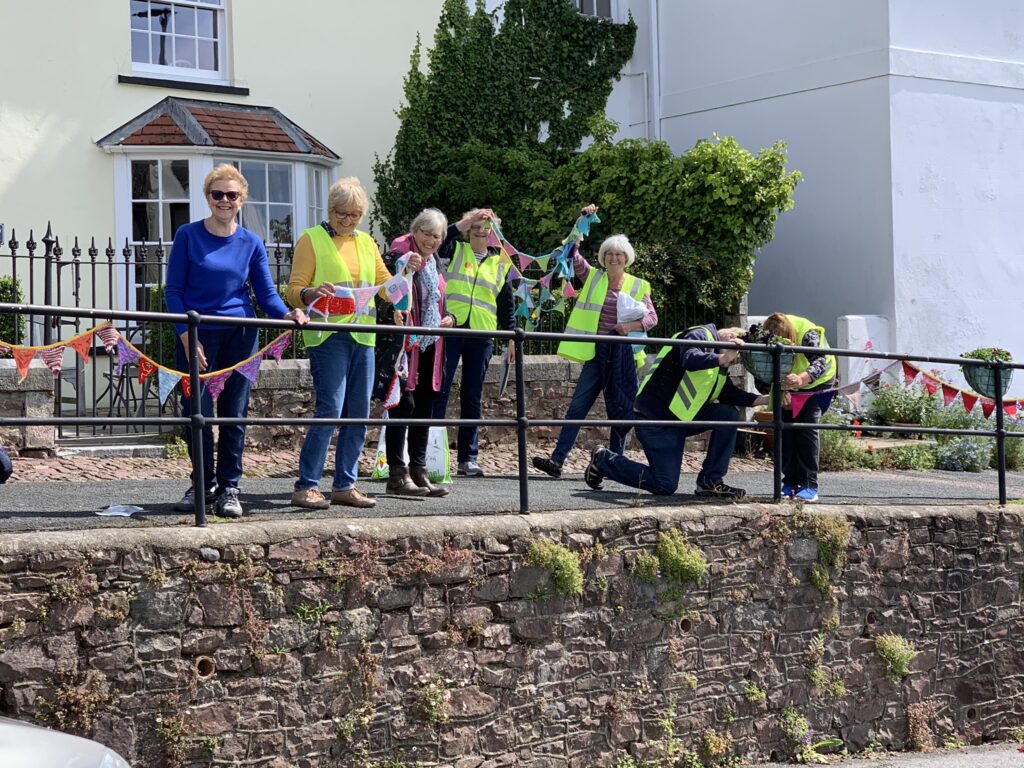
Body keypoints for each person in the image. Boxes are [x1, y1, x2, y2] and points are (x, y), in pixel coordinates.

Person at [165, 164, 308, 518]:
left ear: (242, 199)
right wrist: (185, 336)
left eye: (232, 195)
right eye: (218, 194)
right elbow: (174, 291)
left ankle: (230, 486)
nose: (224, 201)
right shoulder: (187, 235)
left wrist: (289, 314)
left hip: (240, 336)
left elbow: (267, 295)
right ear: (207, 197)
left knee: (234, 413)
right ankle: (202, 483)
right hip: (197, 333)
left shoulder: (251, 242)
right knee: (195, 413)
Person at [287, 178, 396, 510]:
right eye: (341, 213)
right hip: (328, 335)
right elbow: (293, 291)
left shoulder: (367, 242)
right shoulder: (311, 239)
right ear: (329, 210)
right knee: (330, 410)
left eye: (354, 215)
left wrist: (406, 273)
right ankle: (306, 485)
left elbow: (386, 288)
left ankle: (345, 484)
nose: (348, 220)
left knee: (359, 413)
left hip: (363, 336)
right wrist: (311, 294)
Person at [584, 324, 784, 499]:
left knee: (728, 414)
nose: (734, 362)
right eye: (736, 358)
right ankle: (604, 460)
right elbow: (689, 358)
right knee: (665, 485)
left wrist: (764, 400)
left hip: (679, 419)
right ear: (731, 339)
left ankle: (710, 482)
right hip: (656, 419)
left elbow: (726, 392)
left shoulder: (718, 360)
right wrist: (722, 358)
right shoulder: (697, 335)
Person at [533, 212, 657, 479]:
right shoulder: (594, 277)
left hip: (623, 357)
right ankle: (557, 461)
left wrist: (630, 327)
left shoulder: (638, 285)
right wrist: (581, 220)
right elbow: (572, 253)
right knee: (578, 407)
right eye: (609, 254)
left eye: (619, 254)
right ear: (603, 257)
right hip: (597, 353)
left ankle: (615, 465)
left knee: (620, 411)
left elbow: (652, 318)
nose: (613, 258)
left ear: (627, 258)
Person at [374, 208, 454, 497]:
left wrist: (450, 319)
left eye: (437, 236)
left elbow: (441, 302)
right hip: (405, 345)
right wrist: (407, 265)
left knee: (424, 407)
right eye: (426, 233)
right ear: (414, 231)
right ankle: (397, 475)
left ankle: (419, 472)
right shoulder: (400, 254)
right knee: (402, 405)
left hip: (432, 343)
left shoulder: (436, 264)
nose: (431, 240)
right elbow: (388, 293)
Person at [432, 208, 515, 477]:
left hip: (482, 334)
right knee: (439, 390)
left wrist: (512, 335)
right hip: (451, 328)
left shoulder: (501, 263)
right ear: (469, 229)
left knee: (472, 395)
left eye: (487, 227)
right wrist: (465, 221)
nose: (481, 231)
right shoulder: (456, 249)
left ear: (494, 233)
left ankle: (467, 458)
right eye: (477, 227)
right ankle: (430, 453)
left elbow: (507, 304)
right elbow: (438, 241)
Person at [761, 312, 837, 503]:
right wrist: (779, 390)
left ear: (791, 335)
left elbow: (820, 363)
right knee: (785, 430)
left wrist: (801, 379)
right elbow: (763, 373)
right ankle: (790, 483)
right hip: (789, 384)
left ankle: (810, 486)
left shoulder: (808, 332)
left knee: (806, 428)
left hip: (818, 382)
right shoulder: (765, 339)